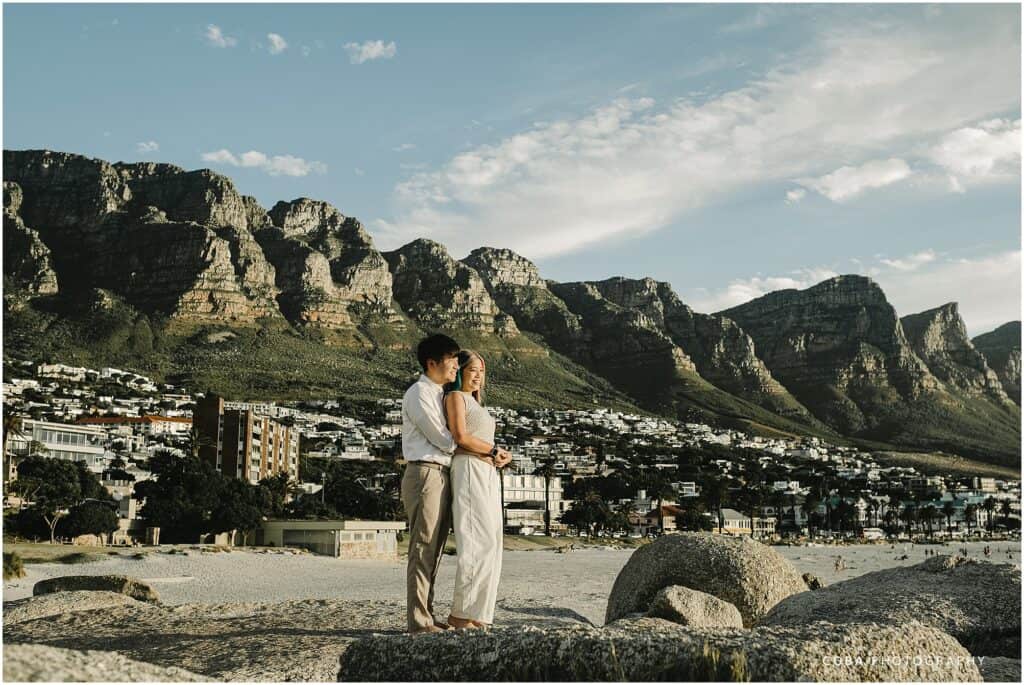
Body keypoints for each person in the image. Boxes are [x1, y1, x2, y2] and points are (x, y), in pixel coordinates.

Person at [443, 349, 511, 630]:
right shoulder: (455, 397)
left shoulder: (476, 403)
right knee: (476, 542)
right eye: (473, 371)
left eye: (482, 372)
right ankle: (460, 614)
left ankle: (478, 614)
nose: (479, 377)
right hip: (469, 469)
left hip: (487, 471)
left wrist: (499, 456)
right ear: (459, 372)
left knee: (493, 543)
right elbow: (460, 437)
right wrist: (494, 450)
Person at [400, 333, 461, 634]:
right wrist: (467, 441)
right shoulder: (419, 393)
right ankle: (419, 621)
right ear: (432, 362)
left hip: (439, 474)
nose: (456, 367)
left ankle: (426, 613)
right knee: (423, 548)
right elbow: (443, 439)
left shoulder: (440, 393)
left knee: (434, 551)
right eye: (452, 360)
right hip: (425, 473)